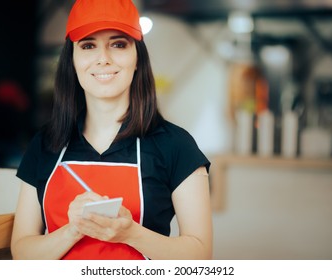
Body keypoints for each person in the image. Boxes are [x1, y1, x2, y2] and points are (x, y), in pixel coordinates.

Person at [11, 0, 212, 260]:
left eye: (118, 44)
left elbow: (201, 255)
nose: (103, 59)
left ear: (137, 57)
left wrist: (130, 233)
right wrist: (75, 229)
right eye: (88, 45)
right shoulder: (45, 143)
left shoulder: (176, 145)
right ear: (71, 60)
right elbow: (22, 253)